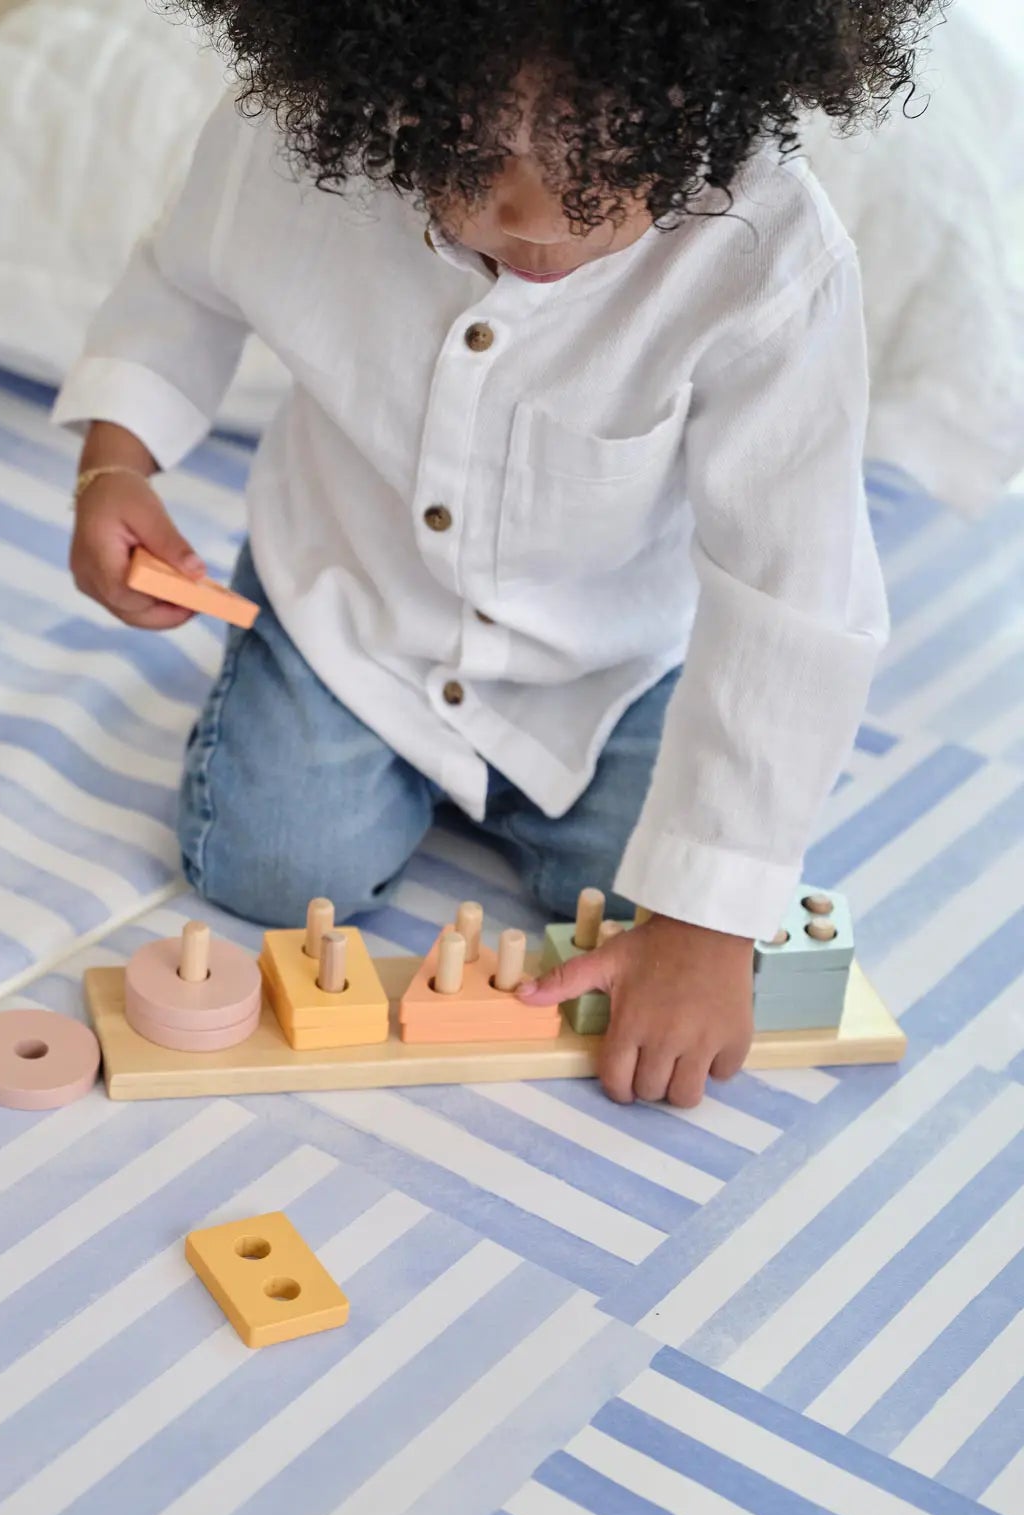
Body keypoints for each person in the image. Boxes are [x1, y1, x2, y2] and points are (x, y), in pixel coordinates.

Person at [54, 0, 937, 1106]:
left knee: (641, 922)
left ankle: (561, 820)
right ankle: (355, 736)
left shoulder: (767, 262)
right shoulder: (288, 149)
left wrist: (708, 921)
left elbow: (793, 590)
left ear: (707, 103)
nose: (528, 210)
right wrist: (116, 464)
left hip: (606, 668)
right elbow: (178, 286)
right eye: (465, 158)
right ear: (372, 90)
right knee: (270, 870)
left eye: (604, 161)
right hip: (348, 609)